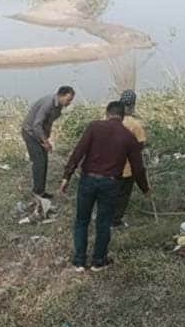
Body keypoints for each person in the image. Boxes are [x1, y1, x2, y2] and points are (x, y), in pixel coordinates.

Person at [60, 101, 149, 272]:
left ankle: (79, 261)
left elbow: (78, 152)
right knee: (103, 222)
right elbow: (138, 168)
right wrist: (144, 188)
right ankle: (98, 261)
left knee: (82, 221)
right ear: (122, 116)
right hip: (111, 183)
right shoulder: (128, 137)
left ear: (107, 113)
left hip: (88, 180)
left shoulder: (94, 127)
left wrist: (66, 176)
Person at [21, 86, 75, 199]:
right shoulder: (48, 103)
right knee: (39, 162)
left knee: (44, 162)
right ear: (61, 95)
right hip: (30, 133)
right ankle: (37, 193)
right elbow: (37, 125)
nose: (69, 103)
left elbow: (47, 123)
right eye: (68, 100)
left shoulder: (58, 106)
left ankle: (40, 191)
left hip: (39, 134)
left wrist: (46, 140)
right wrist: (45, 142)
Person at [112, 90, 147, 228]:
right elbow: (139, 147)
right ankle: (115, 221)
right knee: (122, 195)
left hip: (108, 166)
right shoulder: (135, 125)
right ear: (132, 106)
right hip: (126, 168)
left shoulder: (108, 119)